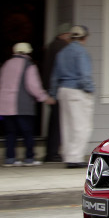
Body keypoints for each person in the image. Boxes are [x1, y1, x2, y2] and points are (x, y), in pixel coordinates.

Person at [0, 43, 56, 167]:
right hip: (21, 105)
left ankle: (10, 159)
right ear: (28, 52)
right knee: (27, 132)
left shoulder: (6, 64)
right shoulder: (28, 65)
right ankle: (29, 158)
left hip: (5, 106)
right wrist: (45, 98)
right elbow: (33, 86)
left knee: (10, 132)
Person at [51, 25, 95, 168]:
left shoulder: (62, 53)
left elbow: (54, 76)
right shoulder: (81, 52)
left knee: (67, 125)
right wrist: (89, 90)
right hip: (77, 90)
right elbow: (84, 75)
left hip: (63, 90)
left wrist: (53, 92)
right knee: (81, 126)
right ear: (84, 38)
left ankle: (69, 156)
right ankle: (75, 158)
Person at [40, 23, 72, 163]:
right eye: (69, 34)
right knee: (58, 123)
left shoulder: (51, 46)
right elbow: (60, 71)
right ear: (64, 34)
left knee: (54, 121)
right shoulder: (62, 47)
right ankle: (53, 153)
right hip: (58, 89)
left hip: (50, 87)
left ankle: (51, 152)